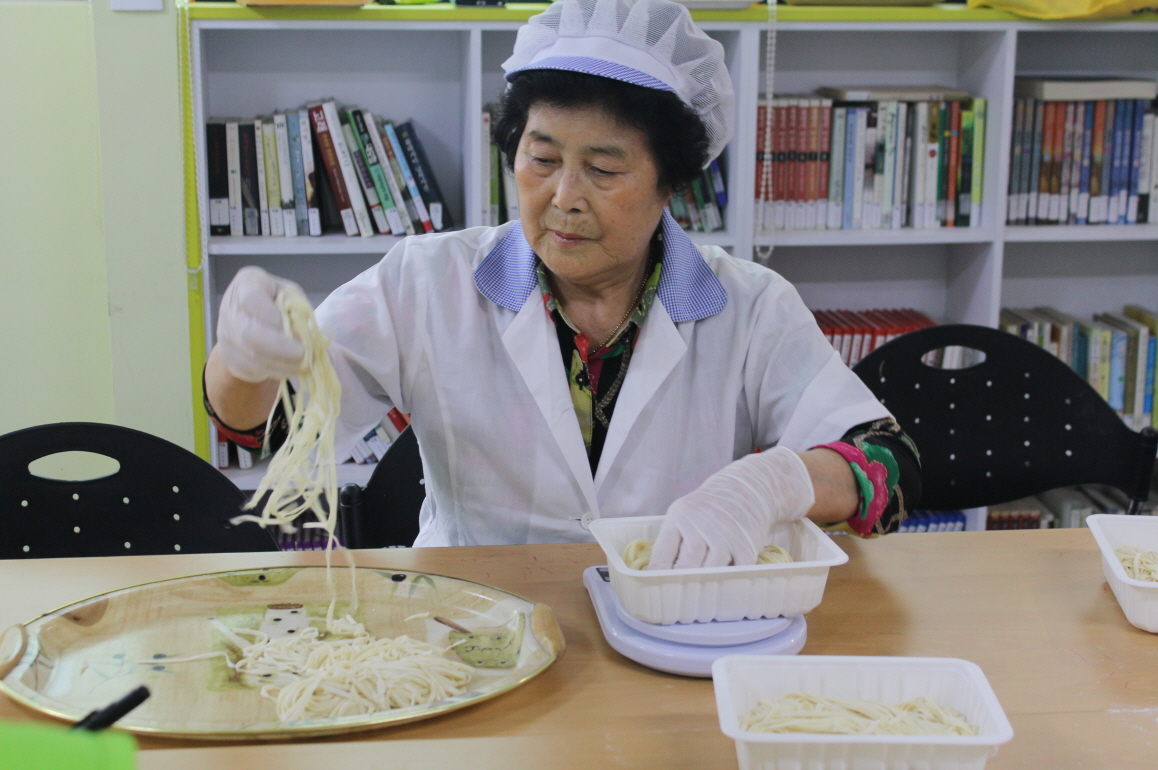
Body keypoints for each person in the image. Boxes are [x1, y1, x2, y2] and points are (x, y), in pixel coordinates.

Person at [205, 0, 919, 568]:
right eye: (541, 159)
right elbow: (264, 426)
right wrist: (242, 360)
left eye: (603, 170)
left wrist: (773, 484)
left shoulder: (750, 305)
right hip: (475, 628)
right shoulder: (427, 282)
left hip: (673, 623)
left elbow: (888, 465)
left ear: (671, 183)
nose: (564, 198)